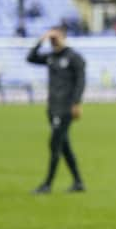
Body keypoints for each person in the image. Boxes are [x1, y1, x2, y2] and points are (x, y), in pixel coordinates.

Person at [26, 27, 86, 194]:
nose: (53, 40)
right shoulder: (51, 57)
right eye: (51, 38)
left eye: (56, 37)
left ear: (64, 37)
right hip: (52, 107)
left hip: (66, 108)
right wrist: (41, 40)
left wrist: (76, 103)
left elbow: (81, 82)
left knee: (54, 144)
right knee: (64, 146)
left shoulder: (74, 57)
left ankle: (47, 184)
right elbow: (30, 58)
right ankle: (78, 182)